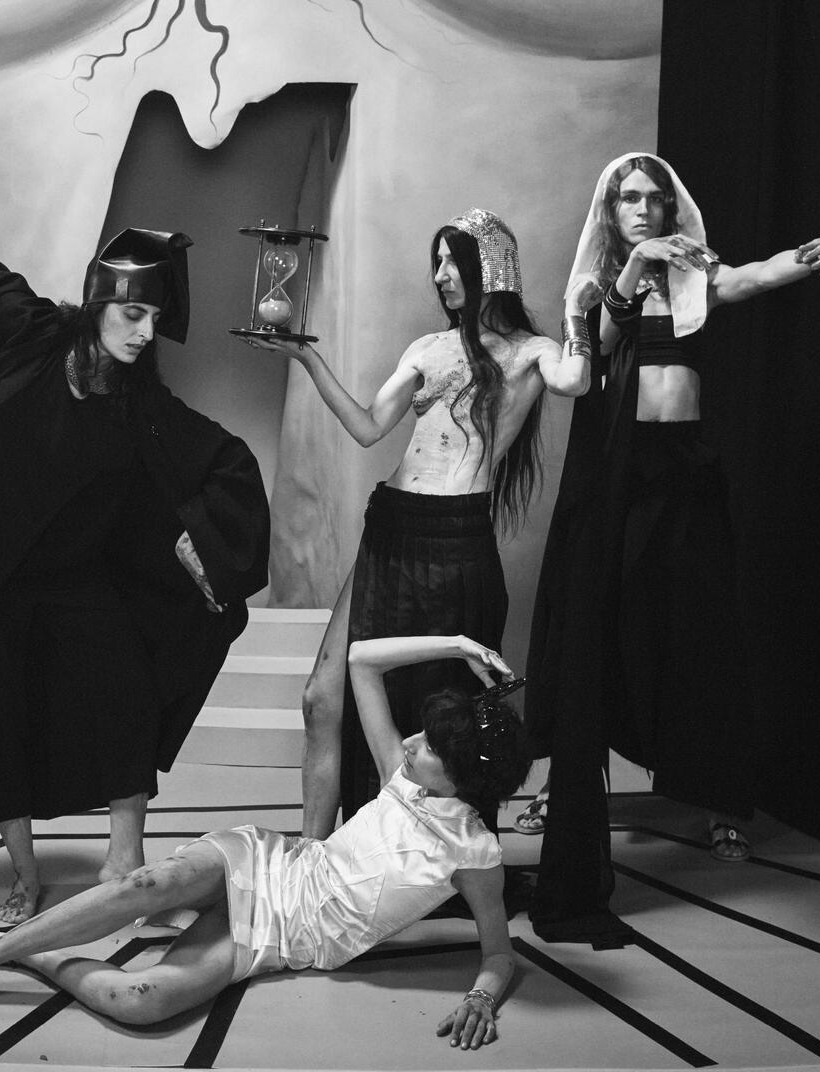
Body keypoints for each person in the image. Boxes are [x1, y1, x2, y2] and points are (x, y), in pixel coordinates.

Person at [0, 632, 531, 1049]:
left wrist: (481, 997)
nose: (411, 744)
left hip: (284, 940)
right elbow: (361, 657)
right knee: (148, 883)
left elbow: (499, 954)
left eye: (430, 747)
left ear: (462, 777)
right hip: (271, 863)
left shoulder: (475, 852)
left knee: (142, 1002)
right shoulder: (402, 778)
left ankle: (15, 950)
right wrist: (456, 645)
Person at [524, 152, 820, 941]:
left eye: (655, 199)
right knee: (595, 629)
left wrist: (819, 254)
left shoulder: (694, 276)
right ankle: (568, 783)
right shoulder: (594, 285)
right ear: (611, 211)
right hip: (617, 479)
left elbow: (754, 277)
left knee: (702, 634)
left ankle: (720, 800)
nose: (643, 209)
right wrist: (634, 265)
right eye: (628, 199)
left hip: (686, 474)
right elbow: (603, 341)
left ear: (672, 210)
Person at [0, 229, 270, 925]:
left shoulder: (141, 404)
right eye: (133, 314)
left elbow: (223, 458)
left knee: (128, 696)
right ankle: (24, 876)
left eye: (154, 318)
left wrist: (203, 535)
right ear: (99, 303)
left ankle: (123, 863)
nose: (145, 332)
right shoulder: (34, 332)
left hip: (76, 579)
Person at [245, 209, 587, 837]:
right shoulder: (427, 348)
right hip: (390, 527)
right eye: (438, 263)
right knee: (322, 697)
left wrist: (578, 313)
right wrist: (305, 358)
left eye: (454, 262)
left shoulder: (532, 352)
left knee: (439, 715)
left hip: (455, 539)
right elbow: (368, 426)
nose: (441, 275)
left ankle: (434, 858)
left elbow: (577, 379)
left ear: (492, 269)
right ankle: (315, 861)